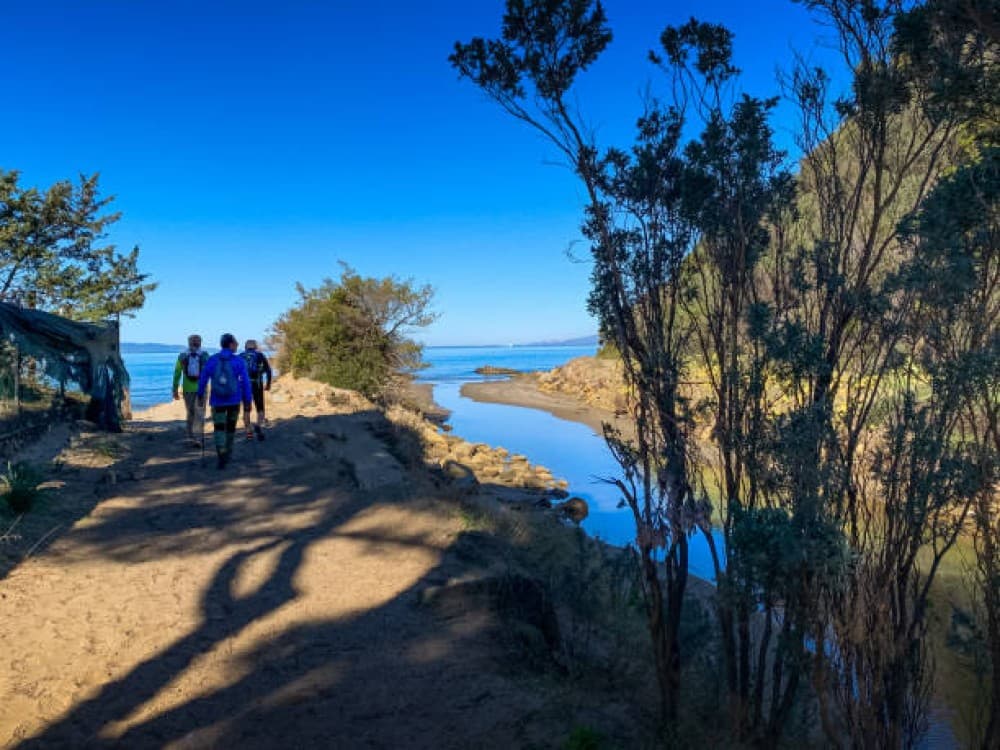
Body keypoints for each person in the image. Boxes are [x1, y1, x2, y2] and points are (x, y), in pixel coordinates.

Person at [197, 333, 253, 469]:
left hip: (217, 401)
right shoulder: (239, 361)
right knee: (231, 428)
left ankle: (221, 454)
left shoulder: (212, 360)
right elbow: (245, 382)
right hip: (234, 400)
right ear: (231, 344)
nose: (238, 345)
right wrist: (248, 399)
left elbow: (203, 378)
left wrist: (200, 395)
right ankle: (228, 453)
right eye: (236, 343)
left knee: (219, 428)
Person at [172, 334, 209, 447]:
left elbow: (177, 373)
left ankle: (191, 437)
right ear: (200, 343)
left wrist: (175, 388)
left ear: (189, 343)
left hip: (187, 389)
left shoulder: (182, 356)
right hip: (202, 388)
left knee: (191, 413)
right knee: (200, 413)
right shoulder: (205, 355)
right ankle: (199, 437)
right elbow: (211, 371)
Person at [240, 339, 272, 441]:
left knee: (246, 409)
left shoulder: (240, 356)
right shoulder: (260, 355)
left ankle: (249, 432)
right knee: (260, 408)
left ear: (245, 347)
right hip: (257, 385)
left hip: (245, 386)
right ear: (255, 347)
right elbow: (268, 370)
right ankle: (258, 425)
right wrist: (268, 384)